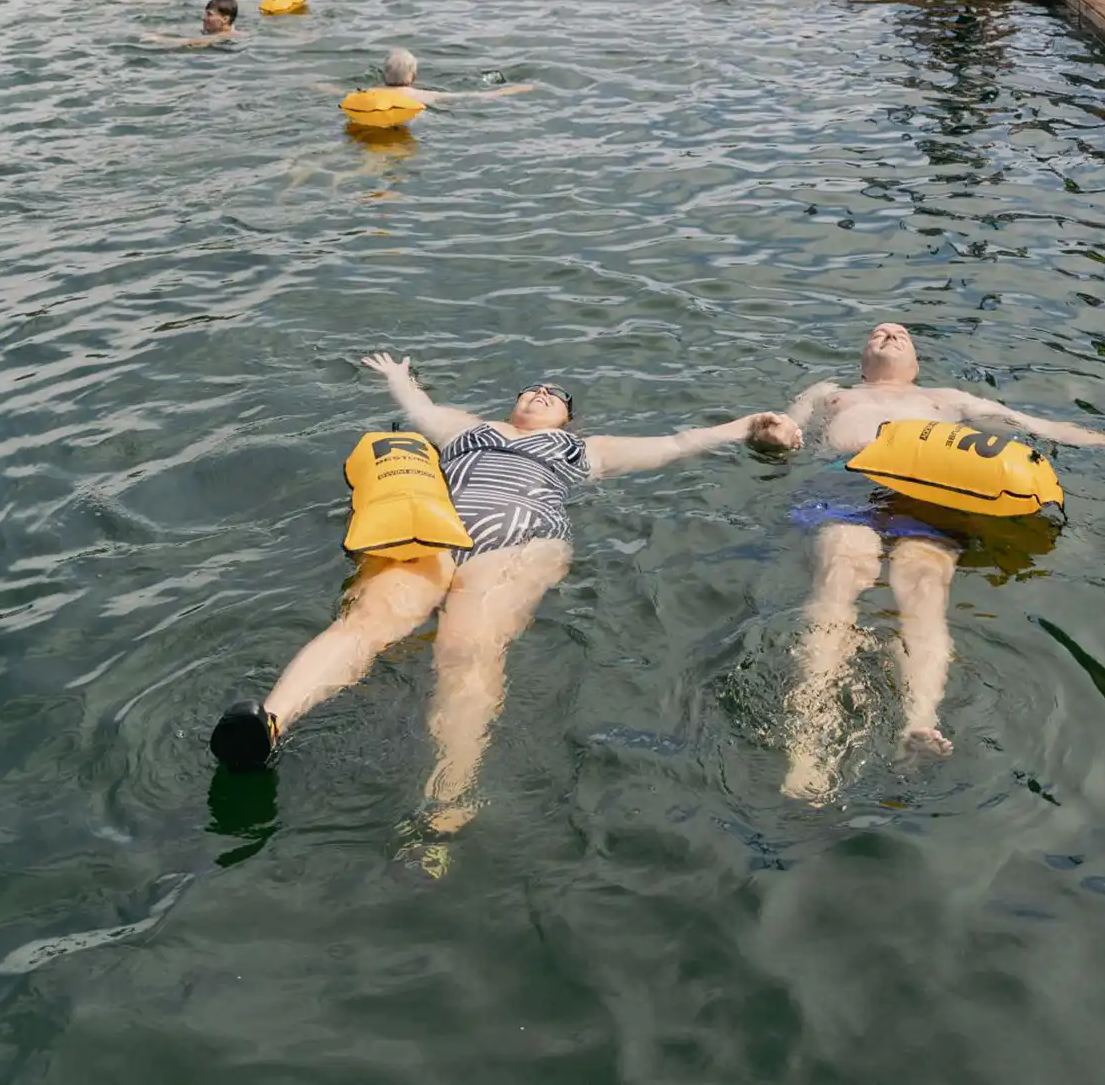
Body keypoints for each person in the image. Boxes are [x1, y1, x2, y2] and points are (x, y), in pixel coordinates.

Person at [208, 353, 800, 831]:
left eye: (556, 394)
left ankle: (447, 800)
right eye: (533, 387)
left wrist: (749, 425)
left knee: (467, 652)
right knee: (364, 625)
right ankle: (270, 726)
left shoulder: (585, 452)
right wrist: (398, 377)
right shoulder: (468, 430)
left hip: (520, 542)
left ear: (568, 419)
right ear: (513, 402)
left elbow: (676, 443)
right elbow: (420, 408)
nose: (542, 392)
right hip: (434, 536)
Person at [780, 323, 1105, 799]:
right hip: (849, 480)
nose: (889, 332)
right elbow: (784, 433)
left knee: (924, 589)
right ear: (862, 359)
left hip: (933, 495)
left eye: (901, 333)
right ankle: (806, 751)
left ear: (917, 364)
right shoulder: (831, 393)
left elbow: (1041, 427)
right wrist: (771, 436)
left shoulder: (948, 400)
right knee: (841, 578)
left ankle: (917, 725)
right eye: (878, 332)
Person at [380, 47, 534, 103]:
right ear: (414, 77)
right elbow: (476, 97)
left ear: (383, 75)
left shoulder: (366, 94)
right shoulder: (426, 96)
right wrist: (517, 89)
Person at [149, 0, 239, 46]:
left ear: (225, 19)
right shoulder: (216, 32)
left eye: (209, 14)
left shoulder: (226, 36)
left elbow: (193, 42)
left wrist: (160, 40)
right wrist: (162, 32)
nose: (204, 18)